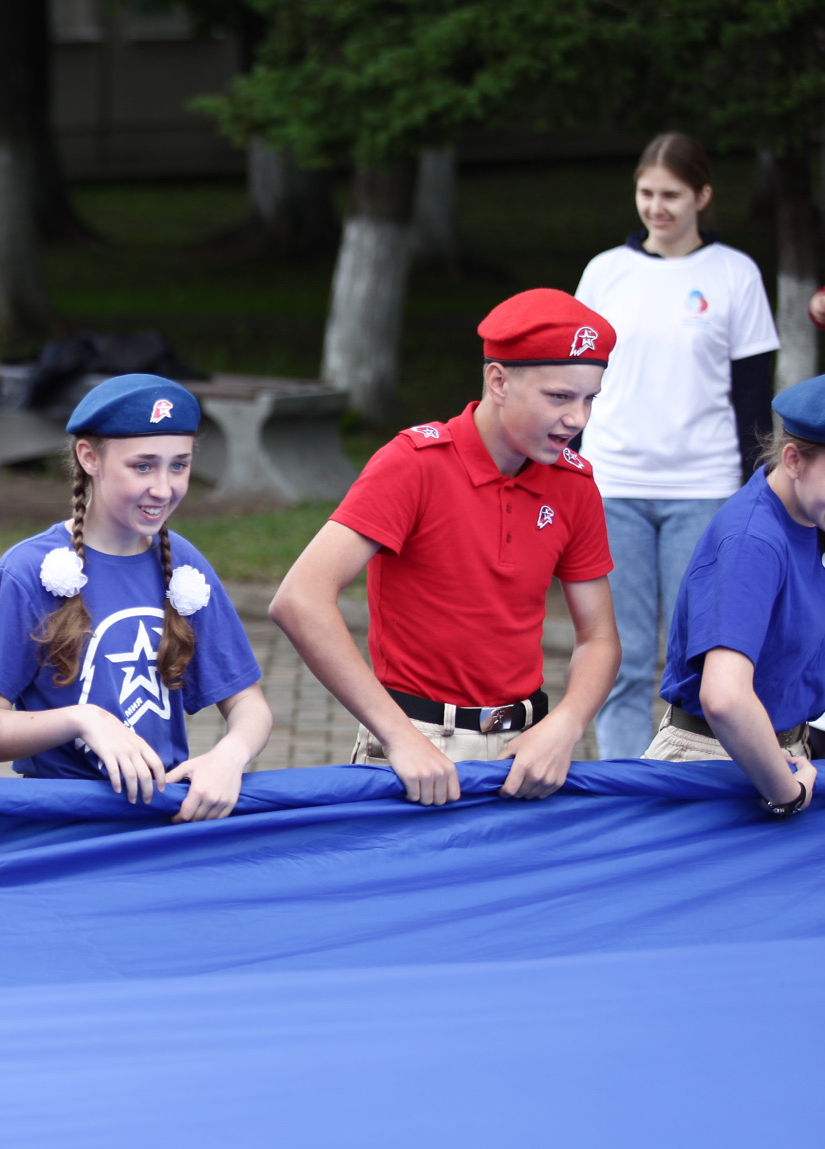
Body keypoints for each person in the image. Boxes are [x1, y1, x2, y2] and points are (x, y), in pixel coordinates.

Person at [270, 289, 622, 806]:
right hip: (415, 749)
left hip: (525, 753)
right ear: (498, 380)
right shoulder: (413, 464)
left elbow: (600, 639)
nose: (579, 419)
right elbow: (299, 600)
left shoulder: (574, 484)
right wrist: (399, 737)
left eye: (590, 398)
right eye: (560, 397)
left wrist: (566, 727)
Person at [0, 375, 273, 821]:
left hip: (160, 820)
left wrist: (231, 755)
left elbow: (249, 704)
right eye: (143, 466)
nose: (164, 488)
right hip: (59, 824)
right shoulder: (25, 572)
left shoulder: (183, 563)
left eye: (179, 466)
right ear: (89, 457)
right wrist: (84, 719)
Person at [574, 133, 779, 760]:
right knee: (623, 654)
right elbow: (571, 382)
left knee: (701, 657)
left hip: (704, 491)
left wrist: (754, 490)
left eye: (671, 195)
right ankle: (621, 789)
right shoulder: (606, 271)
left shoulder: (734, 273)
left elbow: (753, 395)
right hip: (613, 488)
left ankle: (693, 778)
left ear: (702, 196)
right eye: (646, 193)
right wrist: (569, 465)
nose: (656, 207)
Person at [642, 374, 825, 818]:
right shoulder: (754, 541)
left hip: (780, 754)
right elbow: (725, 697)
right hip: (718, 764)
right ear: (794, 460)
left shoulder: (808, 514)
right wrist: (788, 793)